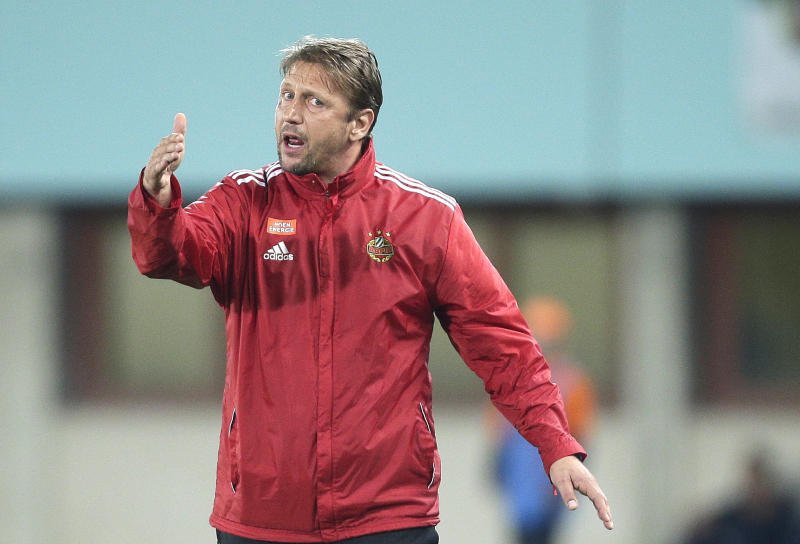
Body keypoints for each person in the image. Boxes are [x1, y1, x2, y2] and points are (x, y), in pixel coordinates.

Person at [127, 36, 613, 544]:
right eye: (286, 96)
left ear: (360, 123)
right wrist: (157, 202)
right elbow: (171, 256)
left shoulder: (425, 219)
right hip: (262, 517)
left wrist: (556, 445)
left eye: (314, 102)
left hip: (387, 516)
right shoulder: (244, 203)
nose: (291, 114)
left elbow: (503, 346)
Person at [487, 296, 598, 544]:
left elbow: (581, 436)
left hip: (550, 475)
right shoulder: (513, 376)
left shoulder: (572, 382)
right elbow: (499, 432)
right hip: (523, 477)